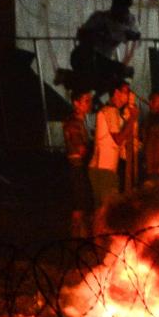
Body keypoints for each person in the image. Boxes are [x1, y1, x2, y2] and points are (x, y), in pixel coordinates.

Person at [70, 0, 141, 95]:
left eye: (125, 10)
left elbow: (136, 35)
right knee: (115, 73)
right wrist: (98, 34)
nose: (122, 12)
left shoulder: (129, 20)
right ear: (113, 6)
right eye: (118, 8)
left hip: (103, 59)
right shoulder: (100, 17)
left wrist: (131, 34)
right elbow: (82, 34)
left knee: (123, 74)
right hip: (86, 56)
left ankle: (103, 101)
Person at [89, 81, 139, 208]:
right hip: (104, 169)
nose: (128, 96)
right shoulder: (110, 111)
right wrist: (133, 118)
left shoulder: (112, 112)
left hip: (103, 168)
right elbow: (118, 139)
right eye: (126, 92)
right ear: (116, 92)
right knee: (107, 208)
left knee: (101, 209)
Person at [62, 88, 94, 237]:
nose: (89, 104)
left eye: (90, 100)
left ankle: (79, 237)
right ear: (76, 103)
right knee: (79, 204)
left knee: (80, 203)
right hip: (77, 167)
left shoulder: (80, 122)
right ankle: (78, 237)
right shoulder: (74, 123)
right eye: (86, 101)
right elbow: (80, 149)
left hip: (78, 167)